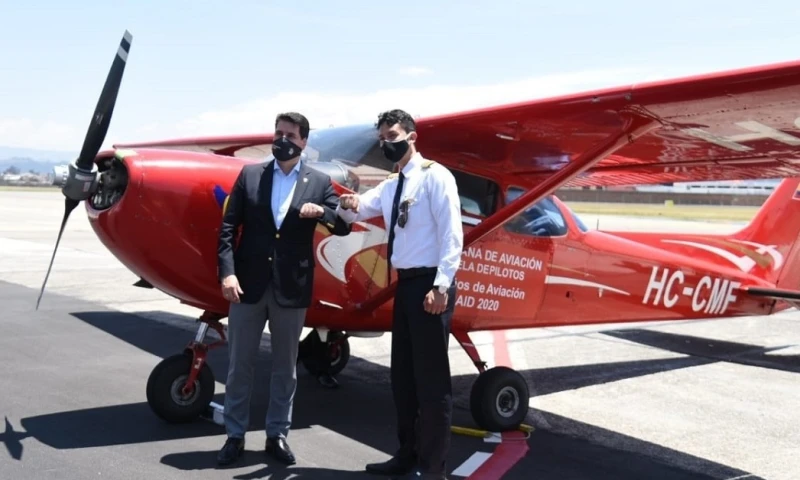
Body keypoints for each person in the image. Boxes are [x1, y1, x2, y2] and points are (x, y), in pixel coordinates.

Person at [216, 111, 352, 467]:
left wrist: (321, 212)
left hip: (291, 287)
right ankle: (234, 435)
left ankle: (277, 434)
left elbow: (342, 226)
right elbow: (228, 229)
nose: (282, 140)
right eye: (278, 133)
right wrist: (228, 274)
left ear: (303, 141)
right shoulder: (250, 175)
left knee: (284, 368)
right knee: (239, 365)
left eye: (290, 135)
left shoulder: (319, 182)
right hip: (247, 286)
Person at [336, 109, 463, 479]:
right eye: (382, 139)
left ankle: (434, 468)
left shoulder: (435, 176)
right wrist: (345, 204)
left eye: (392, 136)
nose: (386, 143)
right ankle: (406, 454)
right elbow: (359, 210)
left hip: (430, 286)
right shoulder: (391, 185)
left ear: (412, 137)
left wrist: (441, 286)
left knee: (432, 382)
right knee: (403, 378)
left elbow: (452, 235)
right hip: (405, 285)